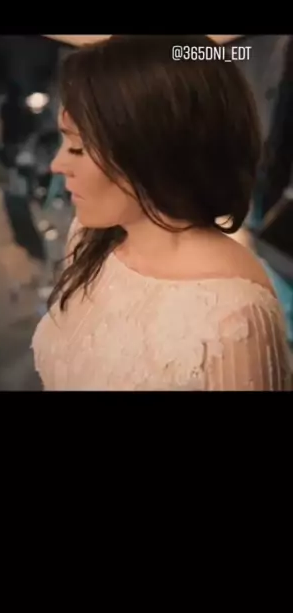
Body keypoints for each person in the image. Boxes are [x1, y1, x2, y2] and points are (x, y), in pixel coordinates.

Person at [32, 35, 292, 391]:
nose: (57, 165)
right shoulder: (88, 237)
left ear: (153, 146)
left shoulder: (235, 317)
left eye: (77, 147)